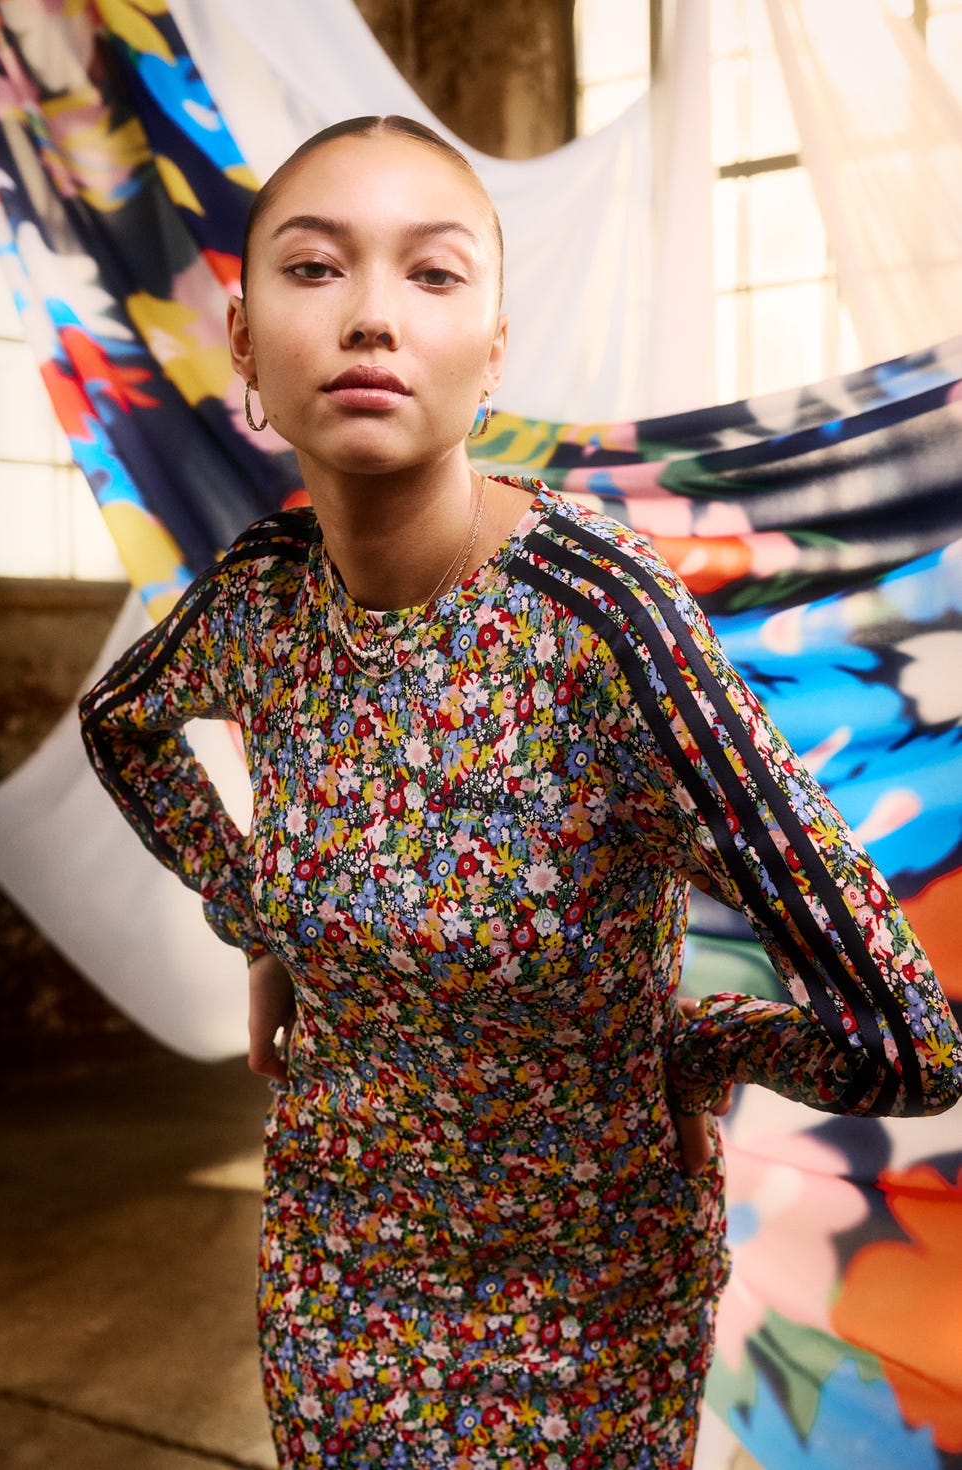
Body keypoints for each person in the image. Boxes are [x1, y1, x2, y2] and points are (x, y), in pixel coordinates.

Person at [79, 115, 962, 1470]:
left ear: (493, 351)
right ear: (245, 341)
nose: (374, 314)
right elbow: (122, 722)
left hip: (584, 1308)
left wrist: (702, 1045)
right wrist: (259, 908)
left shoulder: (606, 625)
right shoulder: (259, 597)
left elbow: (910, 1037)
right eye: (317, 269)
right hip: (337, 1281)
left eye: (433, 275)